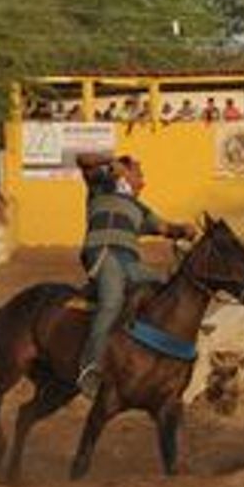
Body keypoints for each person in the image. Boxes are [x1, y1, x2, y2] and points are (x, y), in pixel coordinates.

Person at [73, 153, 197, 399]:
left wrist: (183, 229)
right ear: (124, 174)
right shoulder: (100, 187)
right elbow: (83, 160)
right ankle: (90, 367)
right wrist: (112, 161)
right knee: (111, 303)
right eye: (139, 175)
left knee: (167, 287)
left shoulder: (140, 208)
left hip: (130, 261)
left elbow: (165, 228)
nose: (143, 182)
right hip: (103, 253)